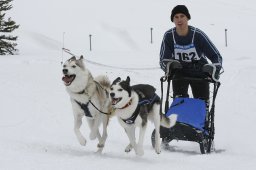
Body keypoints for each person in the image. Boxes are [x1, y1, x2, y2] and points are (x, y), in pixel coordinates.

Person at [159, 5, 223, 104]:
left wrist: (215, 69)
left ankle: (203, 114)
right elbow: (163, 59)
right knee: (179, 103)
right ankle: (179, 117)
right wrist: (167, 69)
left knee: (201, 104)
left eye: (182, 16)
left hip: (199, 70)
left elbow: (216, 56)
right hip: (179, 70)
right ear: (173, 20)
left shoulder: (197, 35)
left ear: (187, 17)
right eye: (176, 17)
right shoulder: (169, 36)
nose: (179, 19)